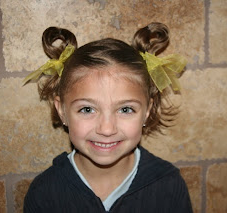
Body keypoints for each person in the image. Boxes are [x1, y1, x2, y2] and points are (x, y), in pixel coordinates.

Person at [23, 22, 193, 213]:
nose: (106, 129)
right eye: (87, 109)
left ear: (147, 111)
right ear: (62, 111)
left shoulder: (168, 185)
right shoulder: (45, 193)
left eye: (126, 109)